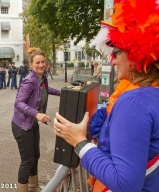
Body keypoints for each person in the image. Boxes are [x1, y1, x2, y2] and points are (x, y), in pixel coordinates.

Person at [54, 1, 159, 191]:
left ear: (137, 54)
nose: (113, 60)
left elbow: (125, 184)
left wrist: (79, 142)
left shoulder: (133, 102)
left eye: (117, 52)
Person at [12, 47, 60, 192]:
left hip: (32, 124)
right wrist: (37, 114)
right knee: (27, 160)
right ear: (31, 65)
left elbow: (45, 90)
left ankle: (33, 185)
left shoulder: (42, 77)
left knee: (36, 156)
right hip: (22, 126)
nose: (41, 65)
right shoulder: (29, 81)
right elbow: (18, 103)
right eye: (37, 63)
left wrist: (62, 92)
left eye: (43, 62)